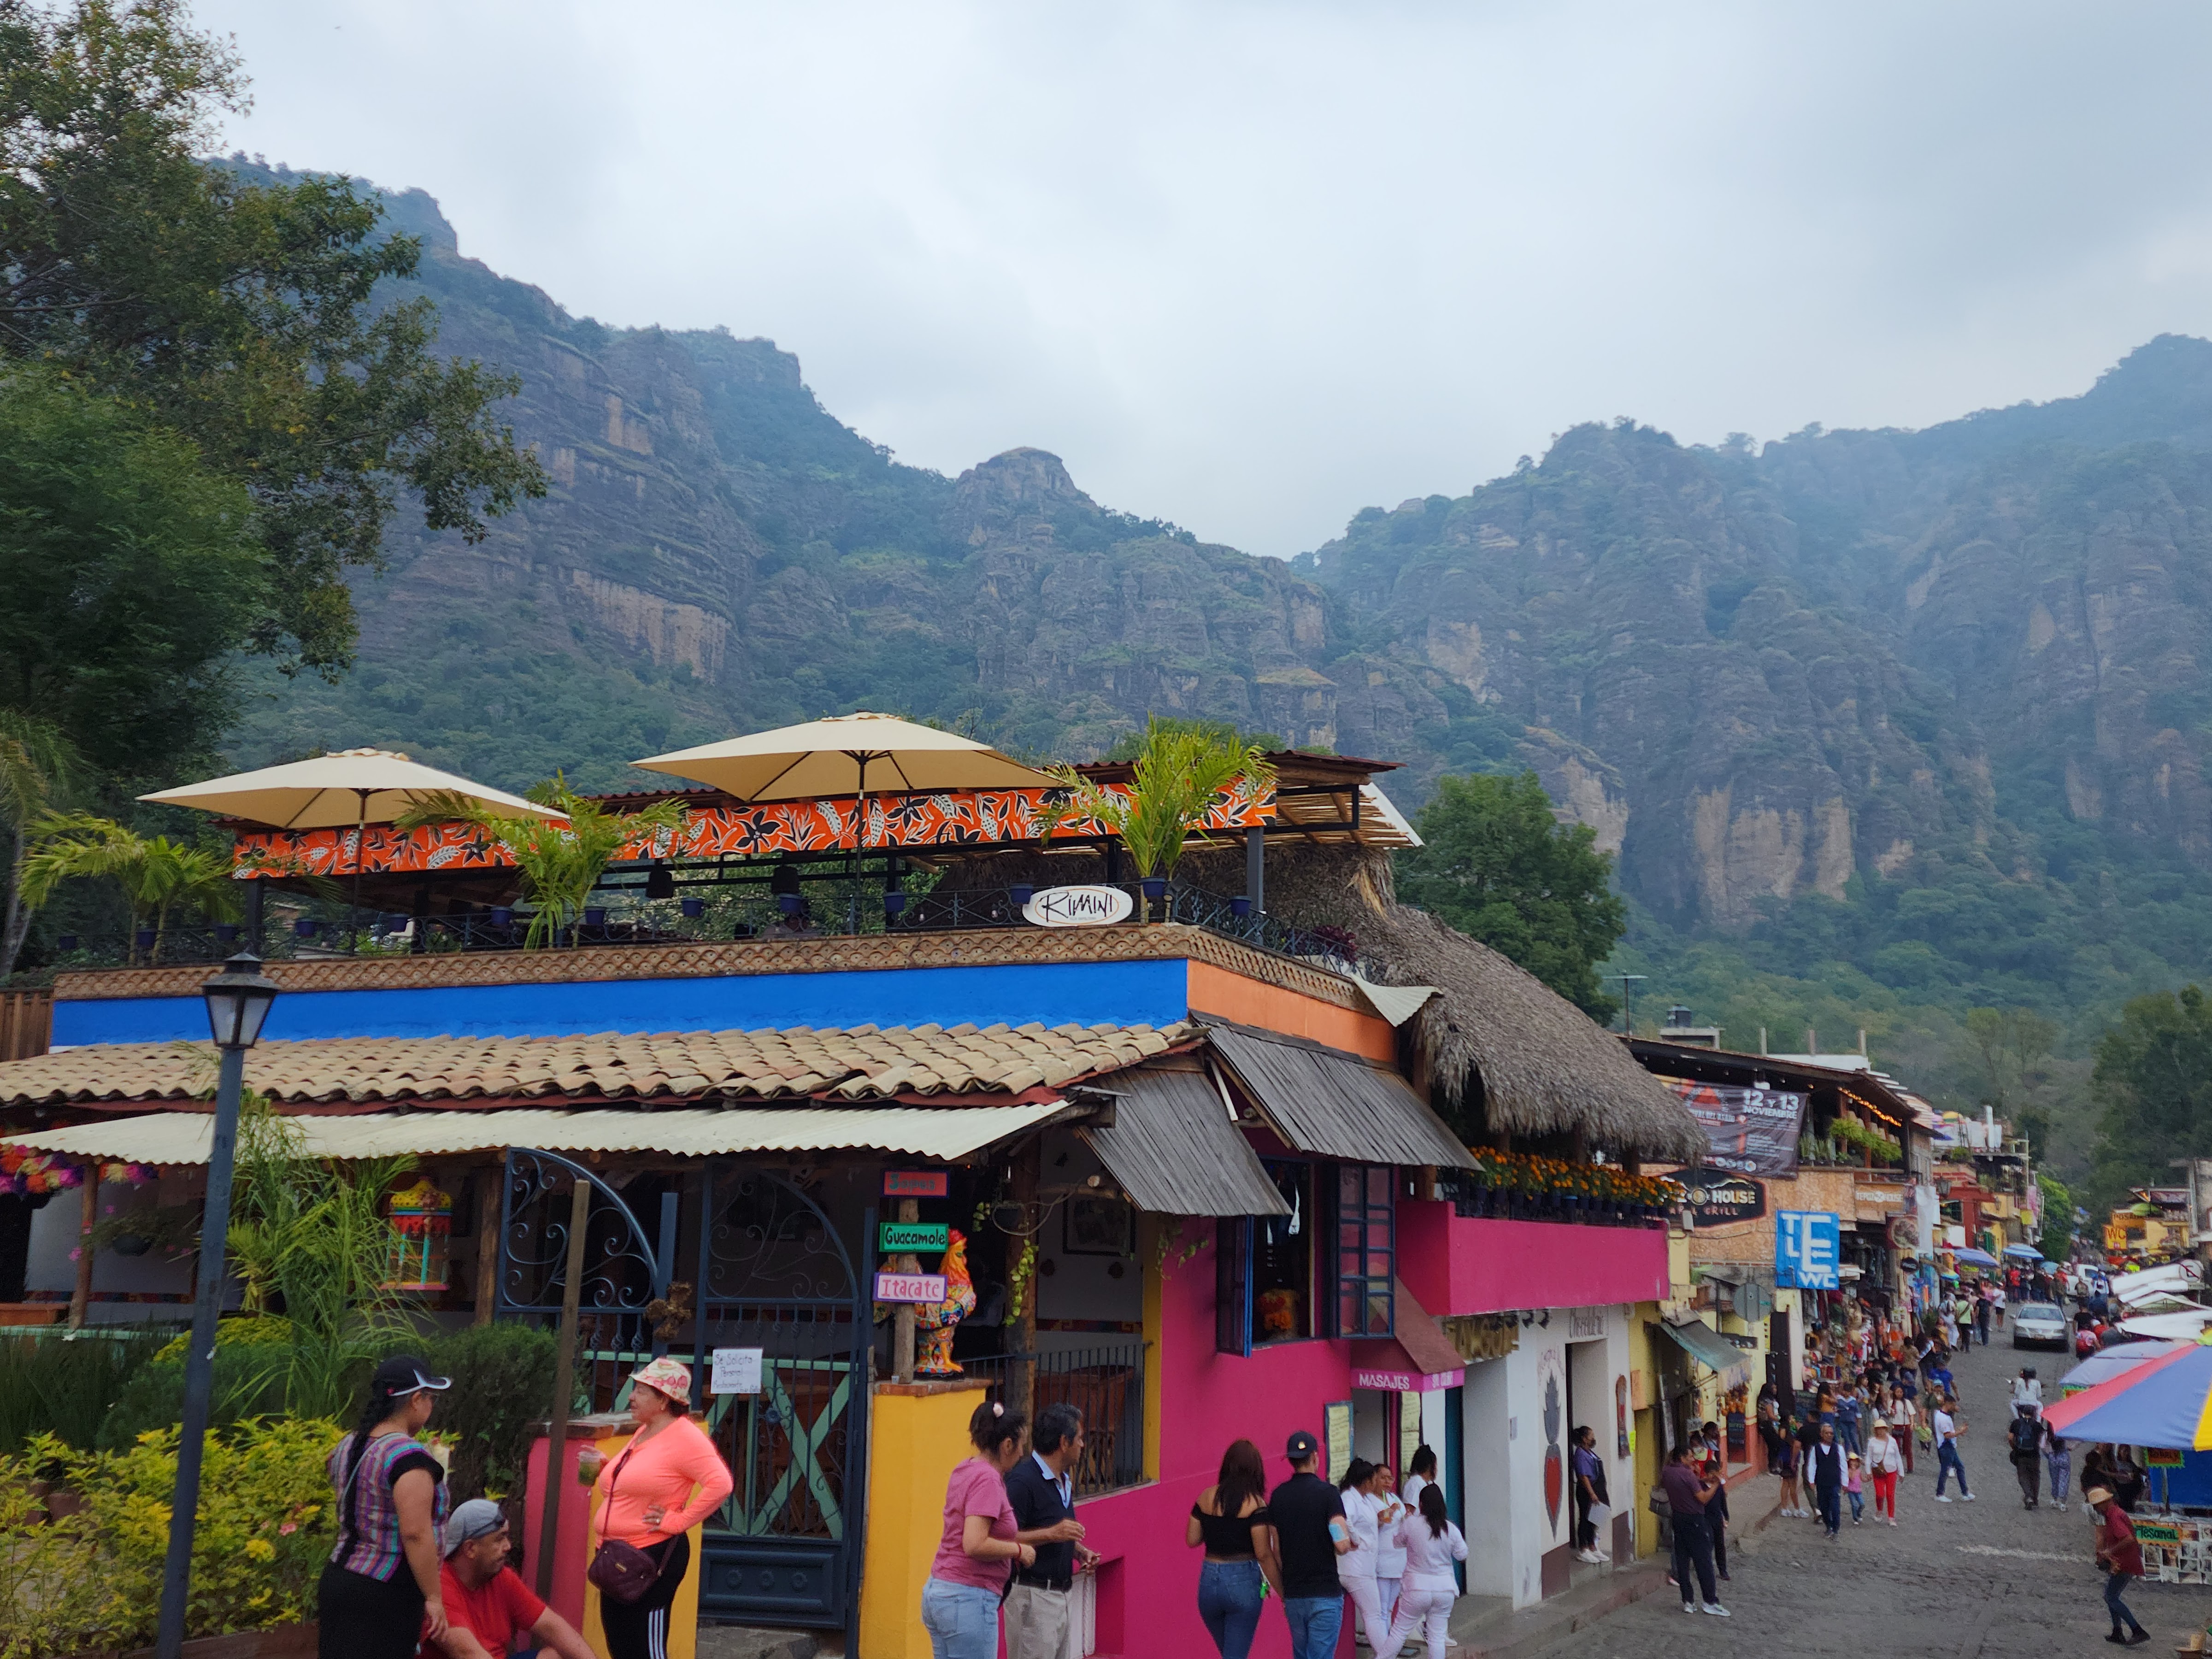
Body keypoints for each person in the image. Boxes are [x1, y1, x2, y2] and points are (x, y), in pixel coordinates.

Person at [581, 1358, 732, 1659]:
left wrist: (678, 1522)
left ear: (664, 1400)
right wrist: (609, 1469)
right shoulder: (646, 1431)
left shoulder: (686, 1437)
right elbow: (645, 1480)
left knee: (646, 1650)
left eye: (640, 1391)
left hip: (651, 1556)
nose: (631, 1397)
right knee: (621, 1647)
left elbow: (721, 1484)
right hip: (617, 1555)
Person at [318, 1356, 453, 1659]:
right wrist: (434, 1598)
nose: (431, 1406)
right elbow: (416, 1533)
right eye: (431, 1398)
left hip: (339, 1578)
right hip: (385, 1592)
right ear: (416, 1400)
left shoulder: (347, 1446)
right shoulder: (409, 1457)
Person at [920, 1399, 1035, 1659]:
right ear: (1007, 1445)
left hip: (942, 1591)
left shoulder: (966, 1469)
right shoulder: (988, 1480)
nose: (1022, 1453)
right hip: (968, 1598)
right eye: (1021, 1445)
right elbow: (974, 1543)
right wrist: (1019, 1551)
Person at [430, 1499, 595, 1659]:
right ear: (470, 1549)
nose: (508, 1546)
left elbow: (552, 1627)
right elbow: (468, 1654)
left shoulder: (501, 1577)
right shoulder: (438, 1585)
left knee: (561, 1655)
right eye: (499, 1539)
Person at [1005, 1402, 1098, 1659]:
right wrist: (1053, 1534)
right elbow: (1004, 1537)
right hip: (1033, 1597)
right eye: (1079, 1439)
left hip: (1061, 1597)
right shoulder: (1022, 1481)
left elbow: (1051, 1531)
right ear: (1064, 1443)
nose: (1083, 1445)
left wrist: (1077, 1551)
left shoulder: (1063, 1480)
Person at [1268, 1430, 1353, 1659]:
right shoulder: (1328, 1494)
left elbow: (1276, 1551)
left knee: (1301, 1654)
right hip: (1325, 1593)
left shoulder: (1278, 1496)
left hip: (1295, 1595)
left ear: (1291, 1461)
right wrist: (1346, 1543)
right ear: (1316, 1457)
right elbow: (1342, 1544)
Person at [1188, 1439, 1273, 1659]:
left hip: (1208, 1581)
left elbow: (1192, 1539)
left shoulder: (1205, 1497)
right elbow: (1263, 1553)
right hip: (1242, 1582)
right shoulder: (1257, 1504)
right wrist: (1281, 1589)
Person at [1369, 1485, 1468, 1659]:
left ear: (1421, 1504)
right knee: (1437, 1637)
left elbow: (1397, 1543)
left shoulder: (1412, 1524)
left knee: (1399, 1632)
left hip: (1417, 1588)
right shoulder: (1450, 1529)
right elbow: (1462, 1555)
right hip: (1445, 1589)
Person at [1658, 1442, 1728, 1616]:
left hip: (1678, 1518)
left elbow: (1684, 1487)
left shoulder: (1667, 1471)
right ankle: (1710, 1601)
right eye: (1690, 1457)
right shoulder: (1686, 1474)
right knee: (1703, 1561)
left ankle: (1688, 1601)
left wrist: (1699, 1479)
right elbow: (1703, 1498)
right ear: (1682, 1458)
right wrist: (1716, 1485)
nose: (1693, 1459)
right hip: (1695, 1520)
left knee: (1682, 1561)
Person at [2089, 1485, 2153, 1646]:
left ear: (2103, 1503)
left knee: (2111, 1597)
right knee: (2112, 1596)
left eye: (2096, 1506)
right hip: (2124, 1561)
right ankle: (2117, 1632)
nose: (2096, 1510)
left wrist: (2110, 1551)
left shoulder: (2115, 1516)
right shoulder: (2114, 1514)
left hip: (2124, 1562)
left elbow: (2128, 1539)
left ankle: (2137, 1630)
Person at [1334, 1459, 1387, 1652]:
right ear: (1366, 1481)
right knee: (1373, 1615)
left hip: (1363, 1565)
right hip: (1356, 1567)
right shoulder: (1350, 1498)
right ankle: (1385, 1654)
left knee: (1374, 1614)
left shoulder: (1363, 1499)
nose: (1376, 1483)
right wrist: (1355, 1539)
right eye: (1374, 1479)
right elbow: (1343, 1520)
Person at [1372, 1466, 1408, 1633]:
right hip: (1382, 1561)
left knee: (1390, 1608)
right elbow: (1379, 1523)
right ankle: (1383, 1644)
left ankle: (1387, 1643)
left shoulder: (1394, 1498)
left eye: (1390, 1478)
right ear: (1374, 1479)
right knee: (1382, 1609)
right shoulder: (1370, 1501)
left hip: (1399, 1560)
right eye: (1383, 1478)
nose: (1388, 1482)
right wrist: (1391, 1510)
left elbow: (1405, 1519)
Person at [1696, 1424, 1730, 1580]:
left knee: (1720, 1545)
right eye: (1714, 1473)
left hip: (1717, 1518)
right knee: (1708, 1544)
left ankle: (1723, 1570)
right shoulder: (1701, 1486)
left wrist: (1726, 1516)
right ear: (1708, 1474)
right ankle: (1707, 1568)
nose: (1717, 1476)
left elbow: (1723, 1502)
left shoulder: (1719, 1487)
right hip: (1705, 1519)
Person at [1571, 1425, 1608, 1565]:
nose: (1593, 1439)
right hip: (1586, 1491)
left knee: (1594, 1520)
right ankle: (1584, 1548)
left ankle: (1593, 1546)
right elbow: (1584, 1476)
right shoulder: (1581, 1454)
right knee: (1585, 1519)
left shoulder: (1590, 1453)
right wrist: (1592, 1493)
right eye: (1591, 1436)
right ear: (1584, 1439)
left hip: (1597, 1489)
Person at [1806, 1421, 1846, 1540]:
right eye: (1827, 1433)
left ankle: (1836, 1529)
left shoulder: (1839, 1448)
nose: (1829, 1435)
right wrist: (1811, 1481)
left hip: (1835, 1482)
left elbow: (1843, 1466)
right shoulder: (1816, 1449)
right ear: (1822, 1434)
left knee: (1835, 1507)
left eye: (1831, 1433)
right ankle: (1828, 1526)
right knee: (1823, 1506)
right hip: (1821, 1482)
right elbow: (1812, 1465)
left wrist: (1845, 1483)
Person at [1933, 1394, 1973, 1502]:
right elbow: (1947, 1435)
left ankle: (1965, 1492)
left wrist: (1958, 1431)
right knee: (1945, 1470)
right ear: (1948, 1404)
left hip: (1949, 1446)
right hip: (1946, 1446)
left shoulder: (1941, 1415)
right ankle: (1940, 1493)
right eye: (1953, 1405)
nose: (1954, 1407)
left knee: (1960, 1467)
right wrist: (1960, 1432)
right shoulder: (1944, 1419)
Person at [1865, 1417, 1903, 1526]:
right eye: (1878, 1429)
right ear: (1875, 1430)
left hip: (1891, 1471)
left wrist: (1901, 1472)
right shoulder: (1872, 1442)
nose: (1880, 1431)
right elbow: (1869, 1457)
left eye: (1882, 1428)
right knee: (1880, 1494)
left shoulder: (1892, 1441)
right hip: (1878, 1472)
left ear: (1886, 1429)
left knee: (1890, 1494)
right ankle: (1879, 1511)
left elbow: (1897, 1457)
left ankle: (1891, 1517)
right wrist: (1868, 1471)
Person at [2007, 1406, 2045, 1509]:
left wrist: (2014, 1447)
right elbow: (2042, 1440)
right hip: (2034, 1455)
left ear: (2023, 1413)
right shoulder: (2037, 1425)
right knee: (2035, 1477)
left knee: (2023, 1476)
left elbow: (2010, 1438)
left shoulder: (2016, 1423)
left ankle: (2028, 1497)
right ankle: (2035, 1500)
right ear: (2034, 1414)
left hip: (2020, 1454)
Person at [2048, 1429, 2074, 1513]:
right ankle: (2063, 1503)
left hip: (2053, 1457)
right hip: (2064, 1456)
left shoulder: (2050, 1432)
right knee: (2064, 1480)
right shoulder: (2064, 1431)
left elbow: (2043, 1445)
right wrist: (2072, 1446)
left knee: (2054, 1479)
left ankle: (2054, 1499)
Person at [1844, 1452, 1865, 1526]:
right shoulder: (1849, 1471)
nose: (1854, 1463)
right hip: (1851, 1491)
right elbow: (1852, 1478)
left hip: (1858, 1491)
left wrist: (1868, 1479)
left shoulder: (1859, 1471)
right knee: (1854, 1505)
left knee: (1862, 1504)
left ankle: (1858, 1513)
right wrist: (1853, 1470)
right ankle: (1856, 1518)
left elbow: (1862, 1479)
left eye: (1855, 1461)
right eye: (1852, 1461)